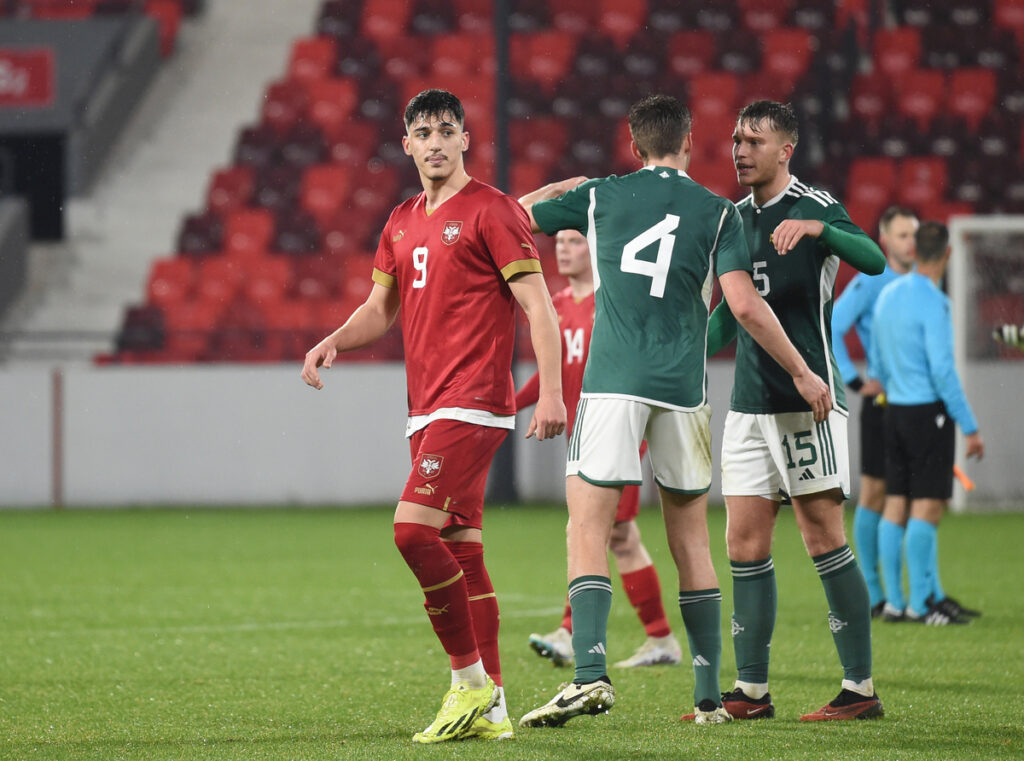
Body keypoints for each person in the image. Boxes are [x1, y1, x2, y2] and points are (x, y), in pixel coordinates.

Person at [515, 94, 832, 728]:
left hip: (612, 383)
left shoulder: (603, 194)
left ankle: (588, 675)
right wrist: (802, 370)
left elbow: (513, 215)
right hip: (684, 390)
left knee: (588, 523)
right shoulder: (719, 213)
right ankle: (710, 695)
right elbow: (743, 307)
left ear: (634, 146)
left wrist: (569, 184)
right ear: (690, 142)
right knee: (689, 537)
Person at [301, 89, 567, 744]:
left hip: (474, 400)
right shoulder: (400, 220)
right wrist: (335, 337)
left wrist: (553, 392)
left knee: (410, 531)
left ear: (466, 140)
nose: (436, 141)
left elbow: (538, 306)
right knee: (461, 550)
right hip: (426, 407)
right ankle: (495, 710)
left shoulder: (495, 210)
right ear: (407, 145)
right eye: (424, 131)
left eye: (448, 129)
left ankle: (469, 680)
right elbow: (379, 309)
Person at [704, 100, 887, 722]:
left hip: (809, 401)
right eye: (735, 139)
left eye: (754, 140)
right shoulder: (732, 218)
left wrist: (818, 230)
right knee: (744, 541)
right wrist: (680, 356)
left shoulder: (815, 204)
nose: (740, 149)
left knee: (821, 536)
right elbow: (731, 313)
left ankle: (859, 689)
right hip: (750, 407)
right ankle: (751, 692)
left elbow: (874, 259)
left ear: (786, 149)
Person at [518, 229, 683, 670]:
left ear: (597, 247)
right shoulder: (556, 303)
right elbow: (550, 372)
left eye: (575, 240)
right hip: (584, 437)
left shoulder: (613, 302)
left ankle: (571, 633)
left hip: (618, 435)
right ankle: (660, 639)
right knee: (617, 537)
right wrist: (509, 404)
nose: (563, 249)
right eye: (560, 242)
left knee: (597, 531)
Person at [871, 221, 985, 624]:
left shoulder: (887, 296)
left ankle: (895, 603)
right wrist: (969, 426)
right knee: (927, 508)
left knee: (895, 505)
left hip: (894, 411)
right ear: (948, 255)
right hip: (927, 415)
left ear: (915, 250)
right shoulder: (935, 302)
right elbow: (942, 371)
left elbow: (878, 360)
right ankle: (922, 606)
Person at [831, 206, 918, 618]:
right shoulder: (872, 280)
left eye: (913, 234)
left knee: (911, 499)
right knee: (876, 495)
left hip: (916, 403)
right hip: (883, 405)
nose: (910, 242)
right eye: (902, 235)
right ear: (884, 240)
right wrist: (853, 379)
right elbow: (833, 324)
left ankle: (911, 596)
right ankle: (875, 592)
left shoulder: (920, 282)